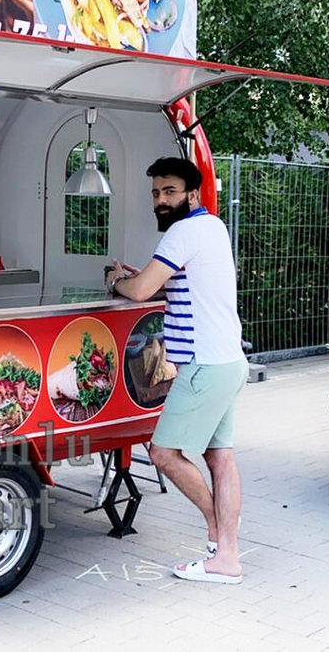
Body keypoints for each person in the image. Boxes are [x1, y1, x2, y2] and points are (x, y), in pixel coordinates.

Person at [106, 156, 248, 584]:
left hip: (203, 366)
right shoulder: (213, 227)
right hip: (228, 361)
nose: (161, 200)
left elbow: (142, 290)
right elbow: (175, 280)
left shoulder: (183, 232)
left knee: (164, 453)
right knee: (219, 457)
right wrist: (142, 276)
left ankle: (222, 542)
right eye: (156, 193)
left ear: (192, 194)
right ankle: (224, 548)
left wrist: (117, 281)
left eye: (170, 192)